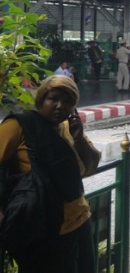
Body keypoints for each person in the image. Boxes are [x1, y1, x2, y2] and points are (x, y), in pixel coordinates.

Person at [0, 75, 101, 272]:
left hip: (80, 220)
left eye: (67, 102)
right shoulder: (20, 126)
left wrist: (79, 139)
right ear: (41, 99)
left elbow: (91, 167)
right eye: (53, 98)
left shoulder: (68, 129)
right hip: (44, 229)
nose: (59, 106)